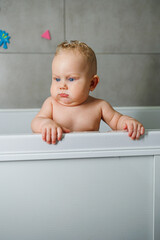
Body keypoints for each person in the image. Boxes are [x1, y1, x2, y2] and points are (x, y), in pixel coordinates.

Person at [31, 40, 145, 144]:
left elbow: (117, 121)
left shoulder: (99, 106)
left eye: (71, 79)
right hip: (60, 155)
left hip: (90, 157)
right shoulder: (51, 104)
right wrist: (45, 124)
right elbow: (36, 122)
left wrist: (128, 123)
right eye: (57, 79)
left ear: (92, 83)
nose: (62, 86)